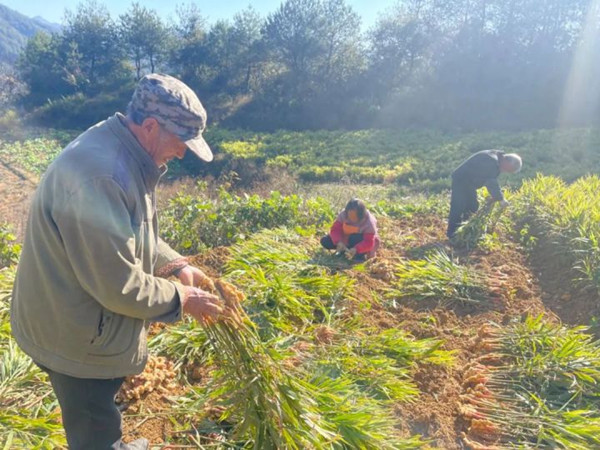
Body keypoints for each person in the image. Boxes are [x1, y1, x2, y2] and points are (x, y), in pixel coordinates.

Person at [10, 74, 225, 450]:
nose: (181, 153)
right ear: (150, 126)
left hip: (79, 318)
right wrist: (182, 298)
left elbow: (127, 232)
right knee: (93, 426)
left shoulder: (122, 147)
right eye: (181, 142)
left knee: (99, 411)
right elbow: (118, 285)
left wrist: (174, 263)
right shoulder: (103, 175)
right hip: (72, 338)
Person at [446, 150, 522, 238]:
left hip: (469, 183)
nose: (504, 171)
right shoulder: (491, 161)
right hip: (461, 180)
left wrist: (494, 195)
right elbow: (491, 181)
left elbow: (488, 178)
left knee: (472, 206)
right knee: (458, 206)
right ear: (506, 160)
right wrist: (501, 199)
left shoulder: (497, 159)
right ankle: (452, 234)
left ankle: (464, 230)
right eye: (507, 169)